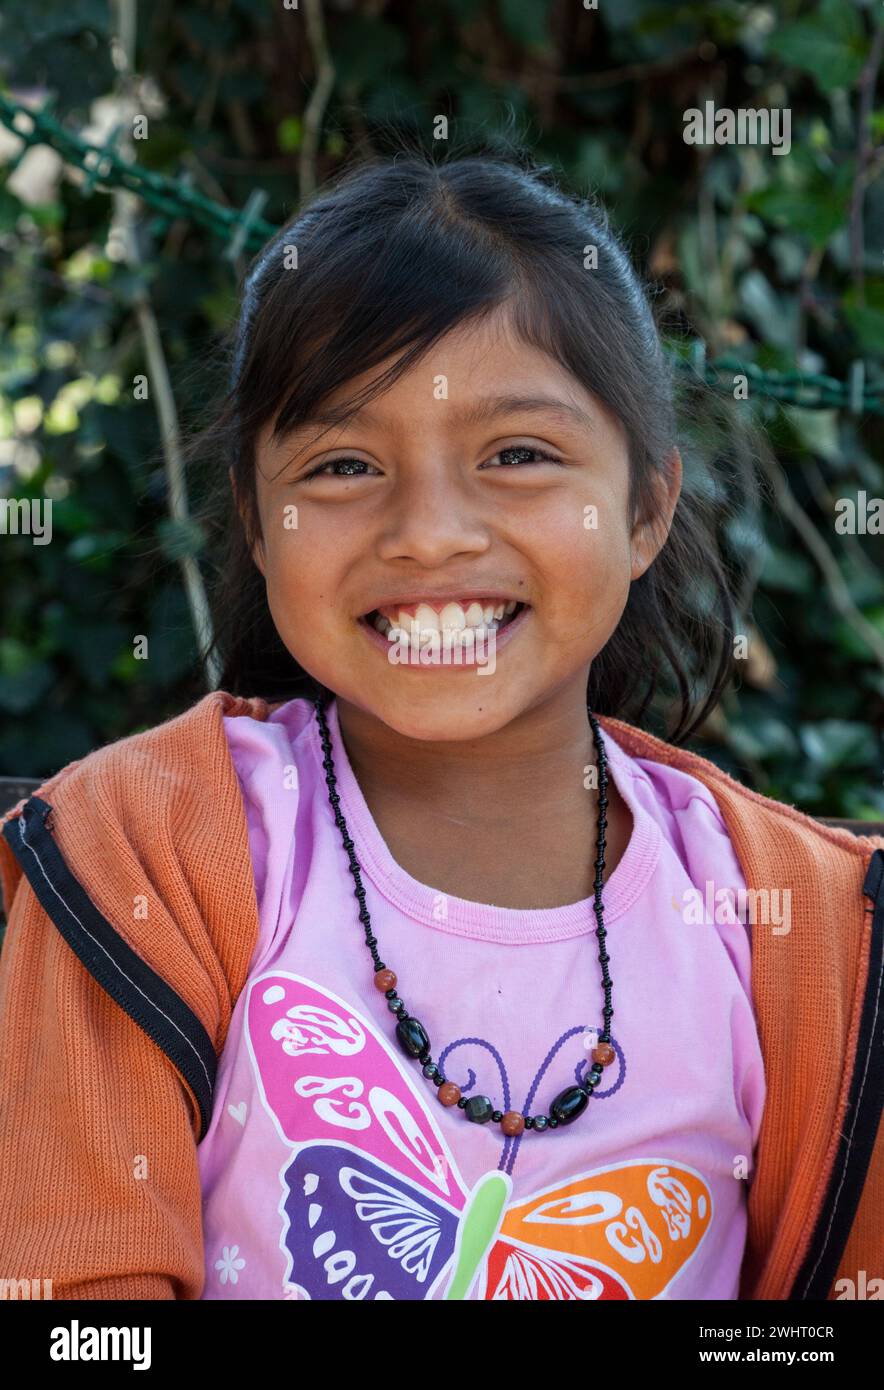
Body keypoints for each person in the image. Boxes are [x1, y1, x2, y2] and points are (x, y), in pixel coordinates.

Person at [0, 151, 881, 1302]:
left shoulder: (800, 936)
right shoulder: (141, 855)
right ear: (260, 527)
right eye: (344, 463)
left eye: (516, 455)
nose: (429, 532)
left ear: (644, 509)